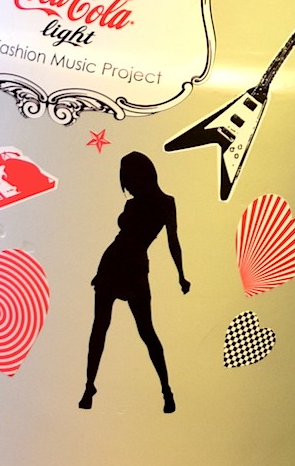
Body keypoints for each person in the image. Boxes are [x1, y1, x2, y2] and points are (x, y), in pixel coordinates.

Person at [79, 151, 190, 414]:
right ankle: (90, 386)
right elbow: (171, 240)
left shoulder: (160, 203)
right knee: (104, 327)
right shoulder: (155, 203)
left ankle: (166, 390)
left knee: (141, 330)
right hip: (116, 264)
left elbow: (173, 241)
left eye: (128, 178)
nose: (127, 185)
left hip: (130, 267)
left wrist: (181, 274)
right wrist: (180, 275)